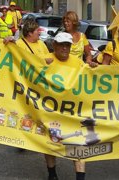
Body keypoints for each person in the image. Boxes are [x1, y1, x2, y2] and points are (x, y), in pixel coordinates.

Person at [44, 32, 87, 180]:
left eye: (67, 45)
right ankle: (52, 173)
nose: (64, 48)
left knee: (78, 142)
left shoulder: (78, 62)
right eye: (61, 44)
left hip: (72, 111)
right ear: (54, 45)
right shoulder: (46, 59)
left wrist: (94, 68)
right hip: (51, 110)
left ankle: (80, 177)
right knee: (50, 142)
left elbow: (91, 80)